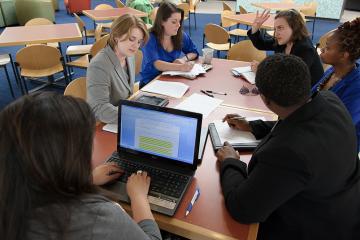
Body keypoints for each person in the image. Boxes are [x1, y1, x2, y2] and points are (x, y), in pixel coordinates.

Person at [217, 54, 360, 240]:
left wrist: (230, 162)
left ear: (265, 99)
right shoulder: (330, 101)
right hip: (344, 209)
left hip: (313, 227)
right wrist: (253, 126)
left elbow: (243, 209)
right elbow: (295, 124)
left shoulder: (288, 153)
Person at [0, 92, 162, 240]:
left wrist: (87, 179)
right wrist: (139, 197)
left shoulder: (12, 206)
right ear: (71, 157)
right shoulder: (99, 219)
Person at [87, 14, 149, 124]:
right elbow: (99, 109)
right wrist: (134, 116)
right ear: (116, 36)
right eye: (131, 39)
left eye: (139, 41)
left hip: (122, 116)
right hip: (104, 125)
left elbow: (128, 92)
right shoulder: (99, 65)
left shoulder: (129, 55)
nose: (136, 46)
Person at [312, 17, 360, 151]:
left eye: (327, 48)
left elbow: (346, 132)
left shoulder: (356, 88)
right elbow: (311, 100)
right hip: (315, 135)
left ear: (343, 55)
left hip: (333, 150)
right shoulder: (333, 70)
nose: (321, 50)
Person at [247, 9, 323, 86]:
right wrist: (255, 28)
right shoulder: (285, 40)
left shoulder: (305, 49)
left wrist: (261, 70)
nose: (276, 34)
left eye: (280, 28)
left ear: (294, 27)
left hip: (306, 93)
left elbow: (289, 80)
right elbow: (261, 44)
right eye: (275, 29)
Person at [140, 1, 199, 88]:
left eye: (179, 21)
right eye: (174, 22)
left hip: (170, 80)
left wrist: (184, 59)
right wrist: (181, 67)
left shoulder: (180, 35)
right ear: (162, 22)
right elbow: (156, 64)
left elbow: (194, 52)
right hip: (150, 83)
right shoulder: (149, 38)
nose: (178, 25)